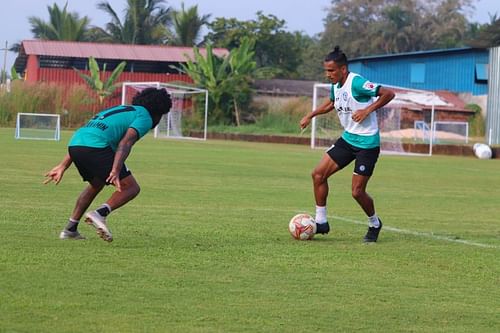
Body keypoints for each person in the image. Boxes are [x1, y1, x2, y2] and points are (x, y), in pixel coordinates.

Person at [44, 88, 172, 242]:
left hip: (75, 144)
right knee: (131, 187)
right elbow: (125, 143)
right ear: (158, 111)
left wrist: (63, 165)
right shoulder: (145, 116)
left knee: (96, 183)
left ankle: (70, 229)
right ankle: (100, 213)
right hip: (95, 146)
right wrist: (116, 170)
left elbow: (88, 134)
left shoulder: (122, 109)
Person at [300, 46, 395, 242]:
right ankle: (321, 221)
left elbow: (388, 94)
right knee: (318, 174)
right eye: (326, 71)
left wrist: (367, 110)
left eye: (331, 70)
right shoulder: (335, 85)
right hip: (348, 139)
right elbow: (331, 103)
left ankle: (374, 223)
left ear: (343, 69)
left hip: (367, 144)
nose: (328, 74)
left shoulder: (357, 83)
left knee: (357, 192)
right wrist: (311, 115)